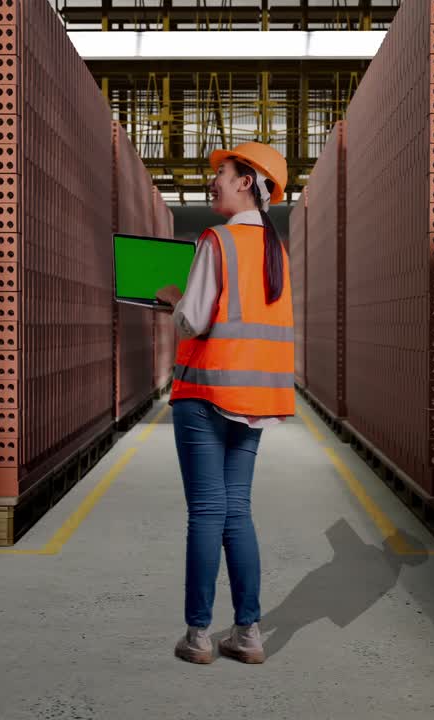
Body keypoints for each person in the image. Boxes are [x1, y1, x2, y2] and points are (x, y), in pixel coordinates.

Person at [152, 141, 296, 665]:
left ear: (245, 182)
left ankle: (197, 635)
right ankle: (248, 632)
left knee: (206, 513)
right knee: (238, 512)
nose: (213, 179)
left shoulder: (217, 241)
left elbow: (196, 320)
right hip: (254, 399)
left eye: (222, 172)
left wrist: (172, 297)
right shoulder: (275, 251)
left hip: (205, 393)